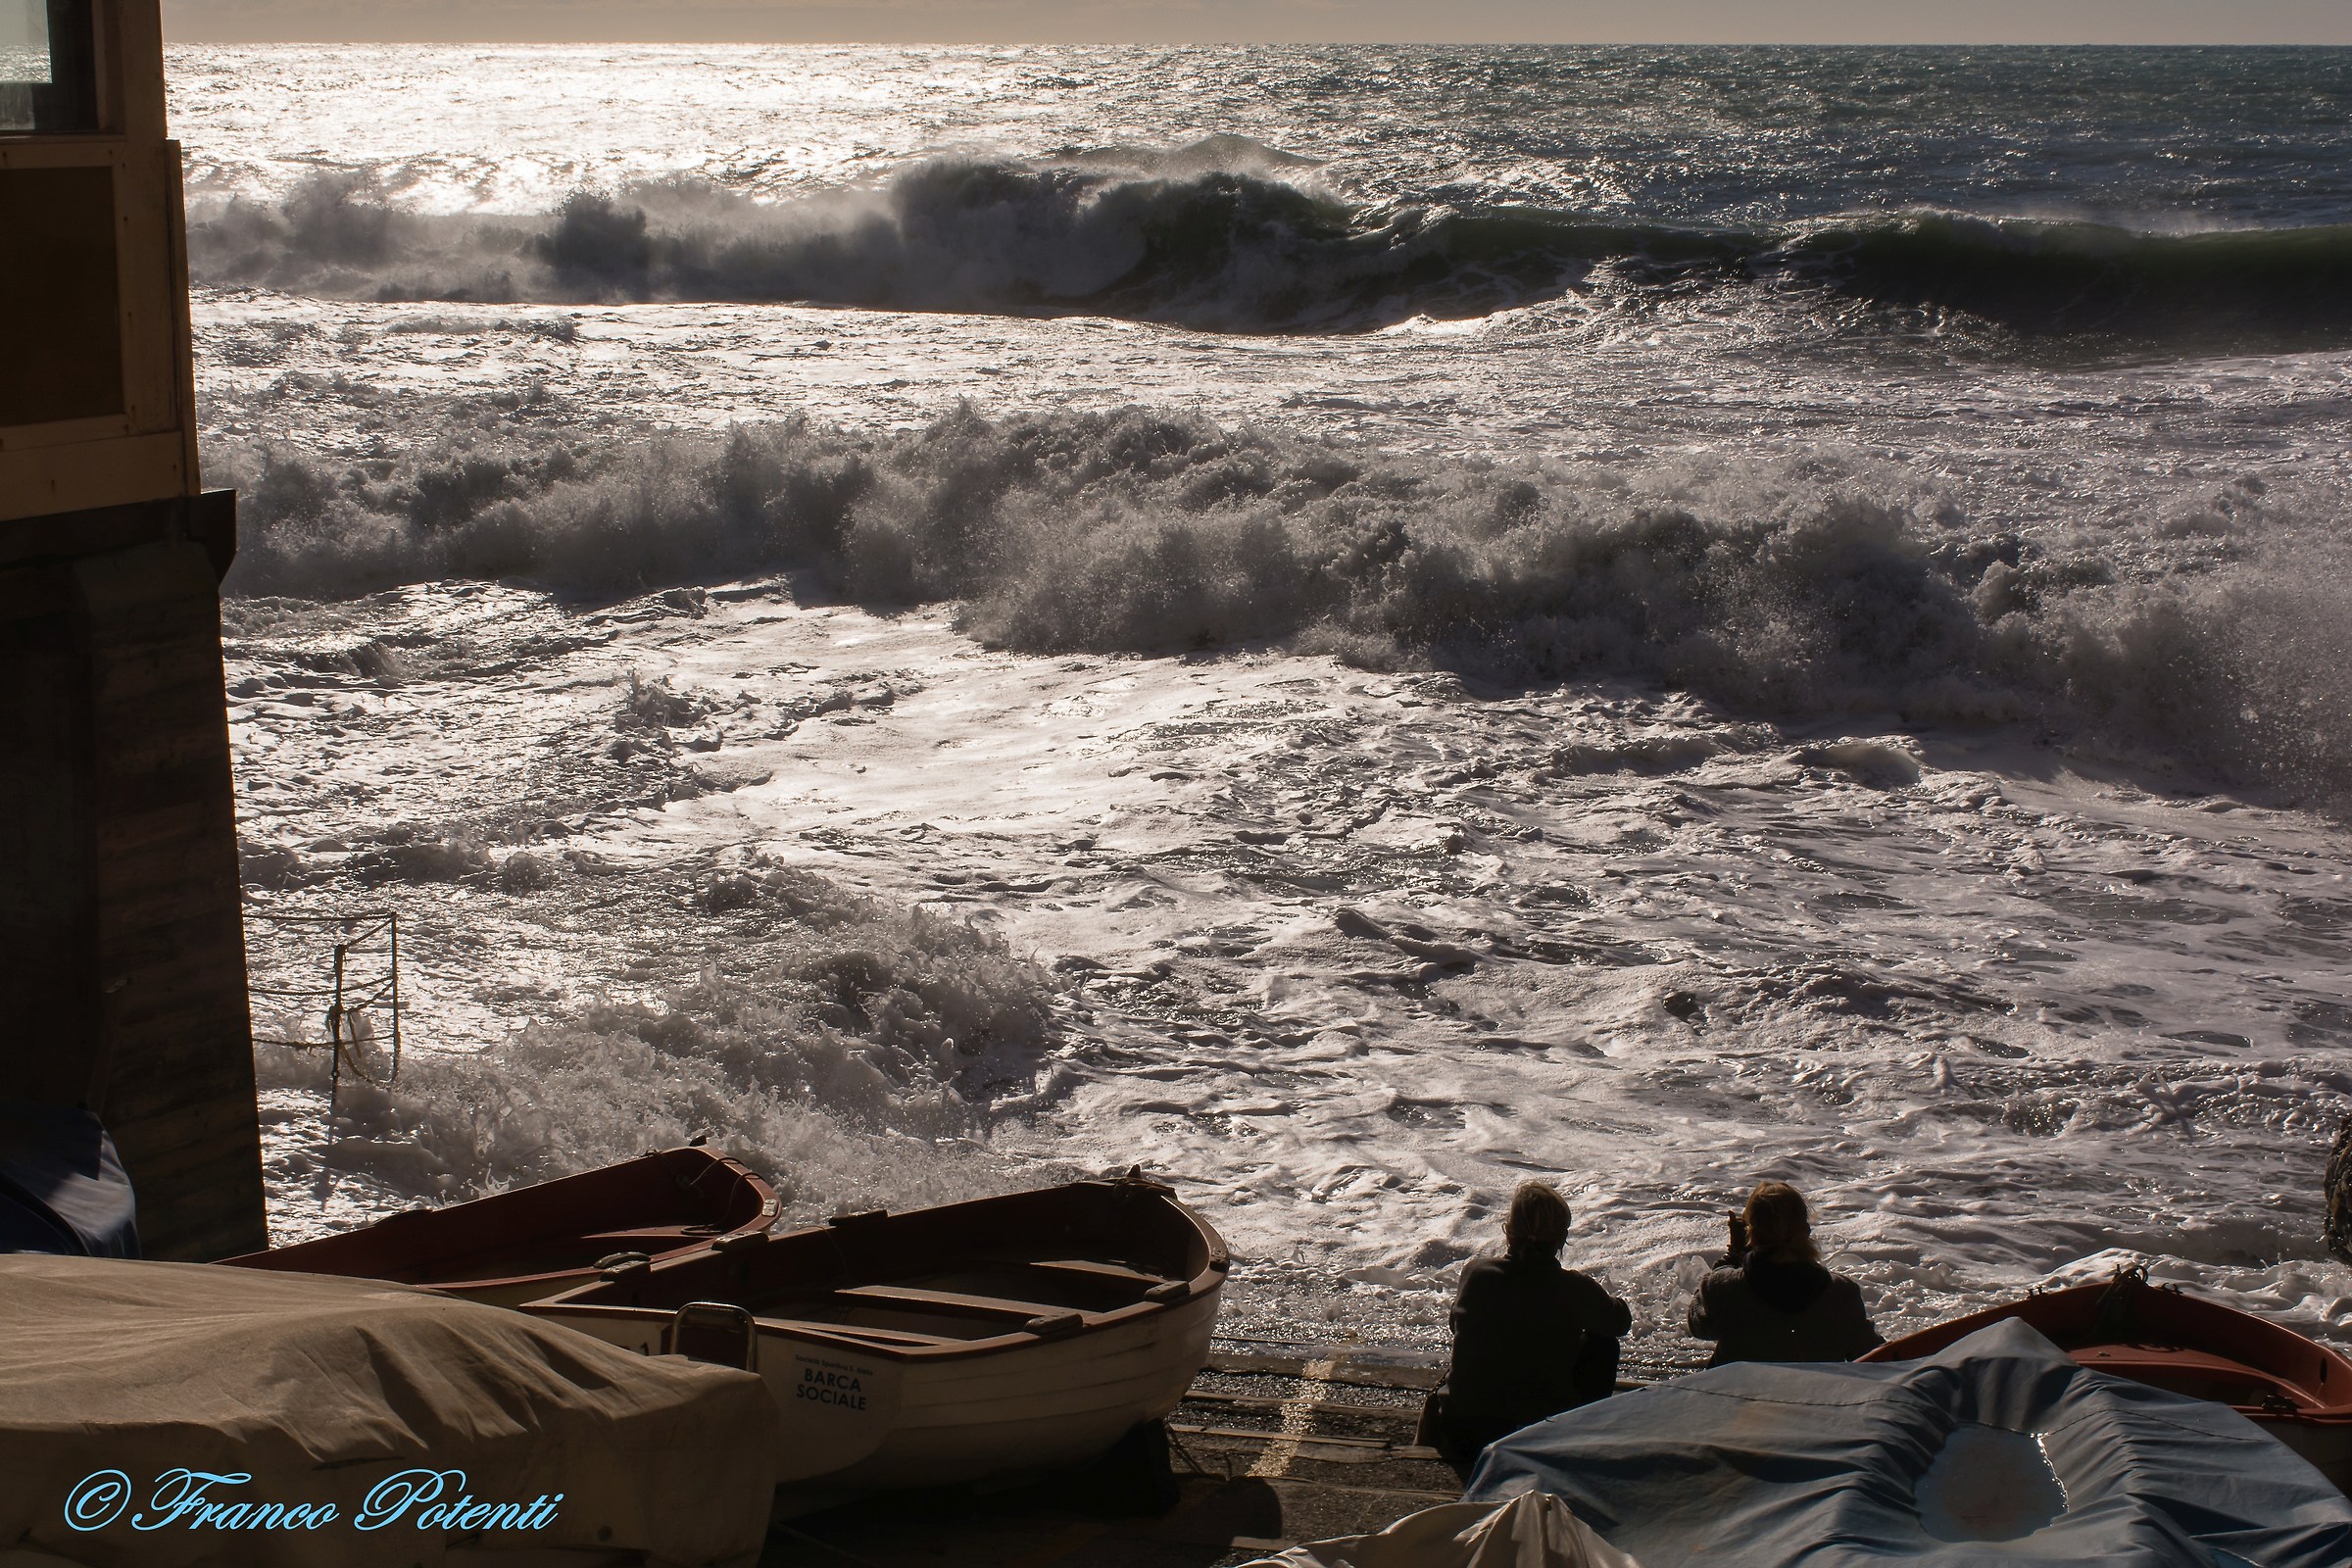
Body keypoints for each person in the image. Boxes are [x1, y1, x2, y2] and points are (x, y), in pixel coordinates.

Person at [1419, 1181, 1633, 1480]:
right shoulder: (1572, 1288)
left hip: (1464, 1432)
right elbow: (1619, 1322)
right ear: (1561, 1238)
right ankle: (1581, 1436)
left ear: (1508, 1231)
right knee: (1603, 1345)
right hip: (1535, 1435)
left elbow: (1456, 1325)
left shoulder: (1476, 1273)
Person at [1687, 1180, 1881, 1366]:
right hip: (1814, 1390)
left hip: (1744, 1390)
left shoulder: (1723, 1288)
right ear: (1806, 1231)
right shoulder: (1842, 1294)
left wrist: (1733, 1255)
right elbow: (1874, 1358)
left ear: (1751, 1235)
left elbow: (1698, 1326)